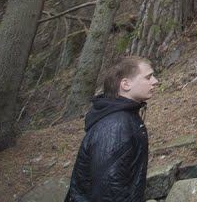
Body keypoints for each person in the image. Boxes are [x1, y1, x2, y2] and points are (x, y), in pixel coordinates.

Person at [65, 55, 158, 202]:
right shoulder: (115, 126)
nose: (155, 81)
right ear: (125, 84)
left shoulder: (126, 116)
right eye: (148, 77)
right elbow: (108, 191)